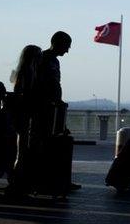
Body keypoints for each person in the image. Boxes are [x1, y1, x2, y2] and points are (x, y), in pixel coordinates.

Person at [36, 31, 80, 190]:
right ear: (57, 43)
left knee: (57, 142)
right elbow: (47, 85)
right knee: (48, 145)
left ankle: (59, 180)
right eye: (66, 46)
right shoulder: (43, 59)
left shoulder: (52, 60)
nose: (67, 51)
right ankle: (51, 180)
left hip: (53, 108)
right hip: (46, 110)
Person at [5, 45, 43, 196]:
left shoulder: (21, 71)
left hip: (20, 115)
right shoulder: (29, 72)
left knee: (21, 148)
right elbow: (26, 95)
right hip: (24, 115)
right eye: (38, 55)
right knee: (21, 150)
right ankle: (17, 180)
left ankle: (17, 180)